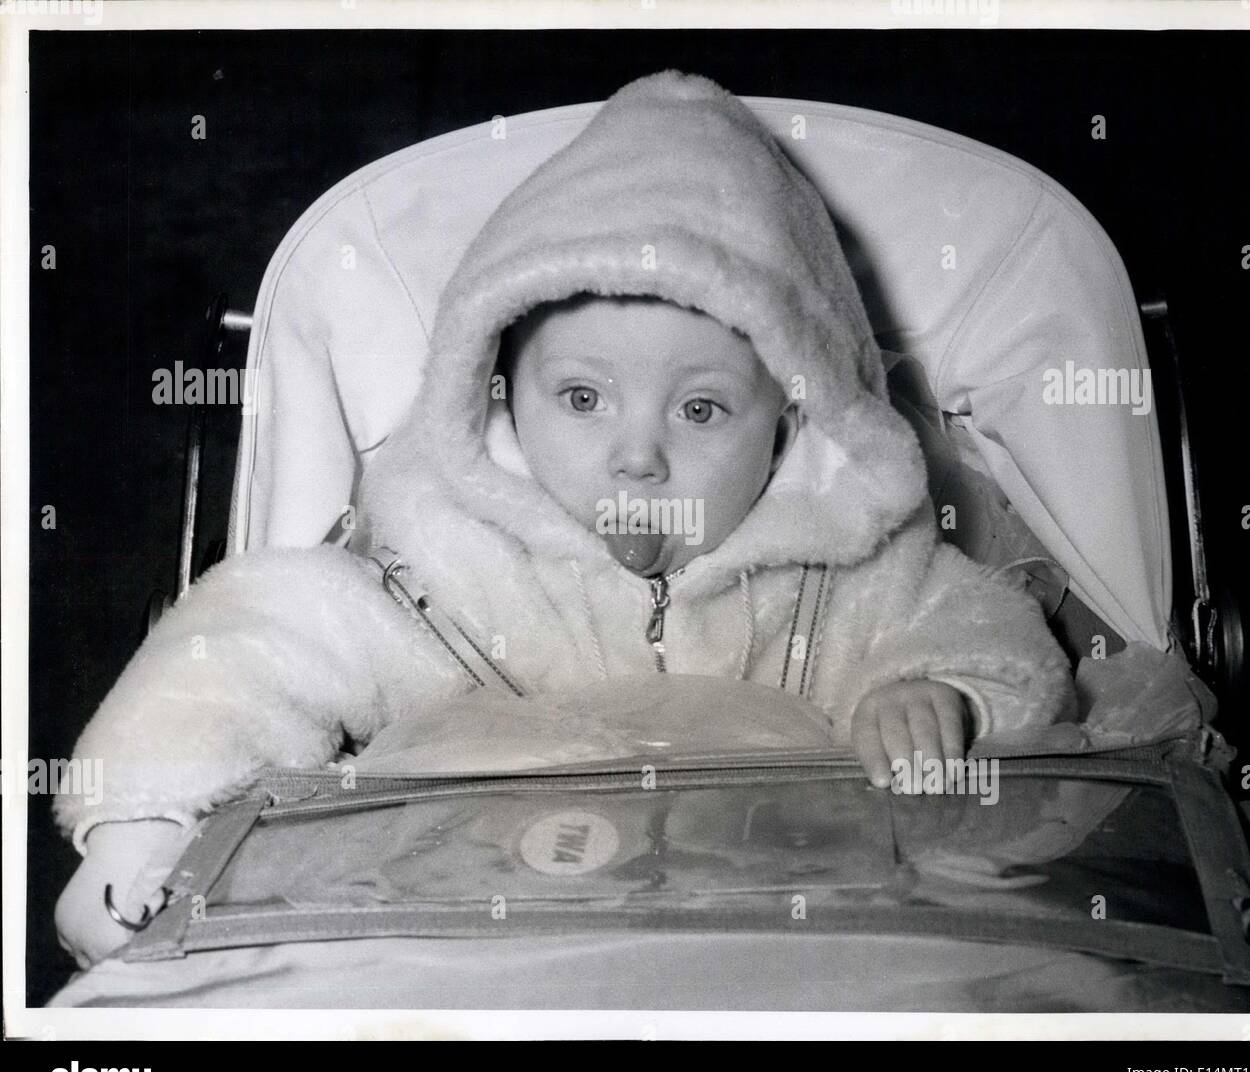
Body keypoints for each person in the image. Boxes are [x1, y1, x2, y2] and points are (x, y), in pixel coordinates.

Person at [53, 70, 1075, 968]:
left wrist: (942, 693)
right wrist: (144, 817)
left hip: (794, 947)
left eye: (702, 408)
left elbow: (989, 634)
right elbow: (260, 638)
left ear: (791, 419)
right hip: (485, 952)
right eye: (580, 399)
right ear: (495, 393)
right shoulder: (446, 563)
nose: (636, 455)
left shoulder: (846, 567)